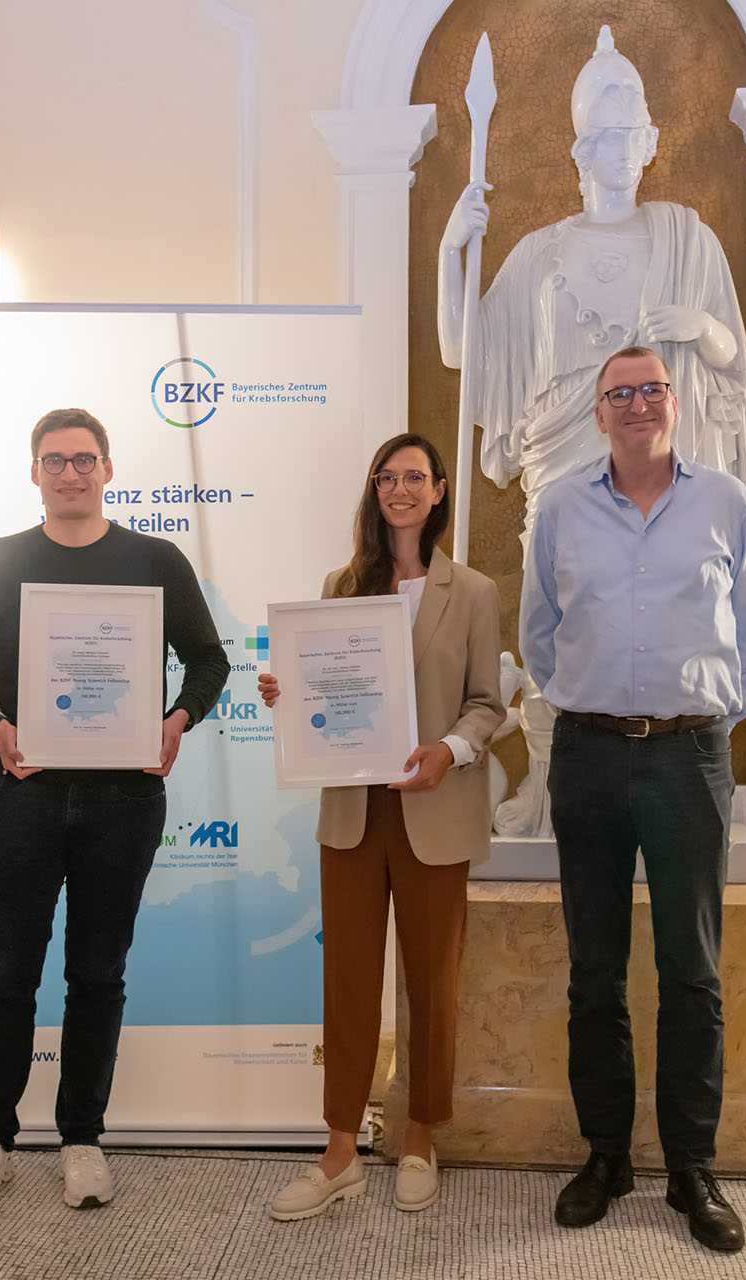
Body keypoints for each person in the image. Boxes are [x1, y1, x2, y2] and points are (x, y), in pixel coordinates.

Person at [438, 24, 746, 838]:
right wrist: (452, 250)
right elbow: (466, 354)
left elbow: (734, 369)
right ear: (580, 149)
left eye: (632, 132)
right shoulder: (539, 257)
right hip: (563, 466)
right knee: (564, 613)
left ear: (651, 141)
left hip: (670, 476)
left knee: (671, 602)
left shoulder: (687, 237)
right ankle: (554, 792)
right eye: (605, 134)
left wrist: (698, 325)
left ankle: (681, 769)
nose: (620, 148)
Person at [0, 407, 231, 1215]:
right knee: (7, 978)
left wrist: (176, 721)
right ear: (34, 472)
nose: (71, 472)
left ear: (108, 469)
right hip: (24, 795)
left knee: (97, 974)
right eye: (55, 460)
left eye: (85, 459)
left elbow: (209, 659)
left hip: (124, 800)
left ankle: (82, 1139)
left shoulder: (154, 560)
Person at [522, 346, 746, 1254]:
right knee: (596, 968)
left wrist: (691, 717)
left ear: (675, 403)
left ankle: (690, 1168)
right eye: (619, 393)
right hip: (587, 756)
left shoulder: (724, 503)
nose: (637, 404)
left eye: (652, 389)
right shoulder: (559, 509)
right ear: (598, 413)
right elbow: (540, 638)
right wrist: (598, 705)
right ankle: (605, 1158)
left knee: (692, 971)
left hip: (688, 759)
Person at [257, 434, 504, 1221]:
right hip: (354, 812)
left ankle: (421, 1137)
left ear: (438, 492)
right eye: (387, 477)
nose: (401, 489)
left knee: (431, 982)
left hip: (435, 807)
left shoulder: (472, 590)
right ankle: (339, 1149)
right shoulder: (343, 585)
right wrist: (283, 690)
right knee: (350, 985)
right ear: (375, 490)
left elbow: (489, 705)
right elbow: (329, 688)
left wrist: (449, 750)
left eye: (415, 478)